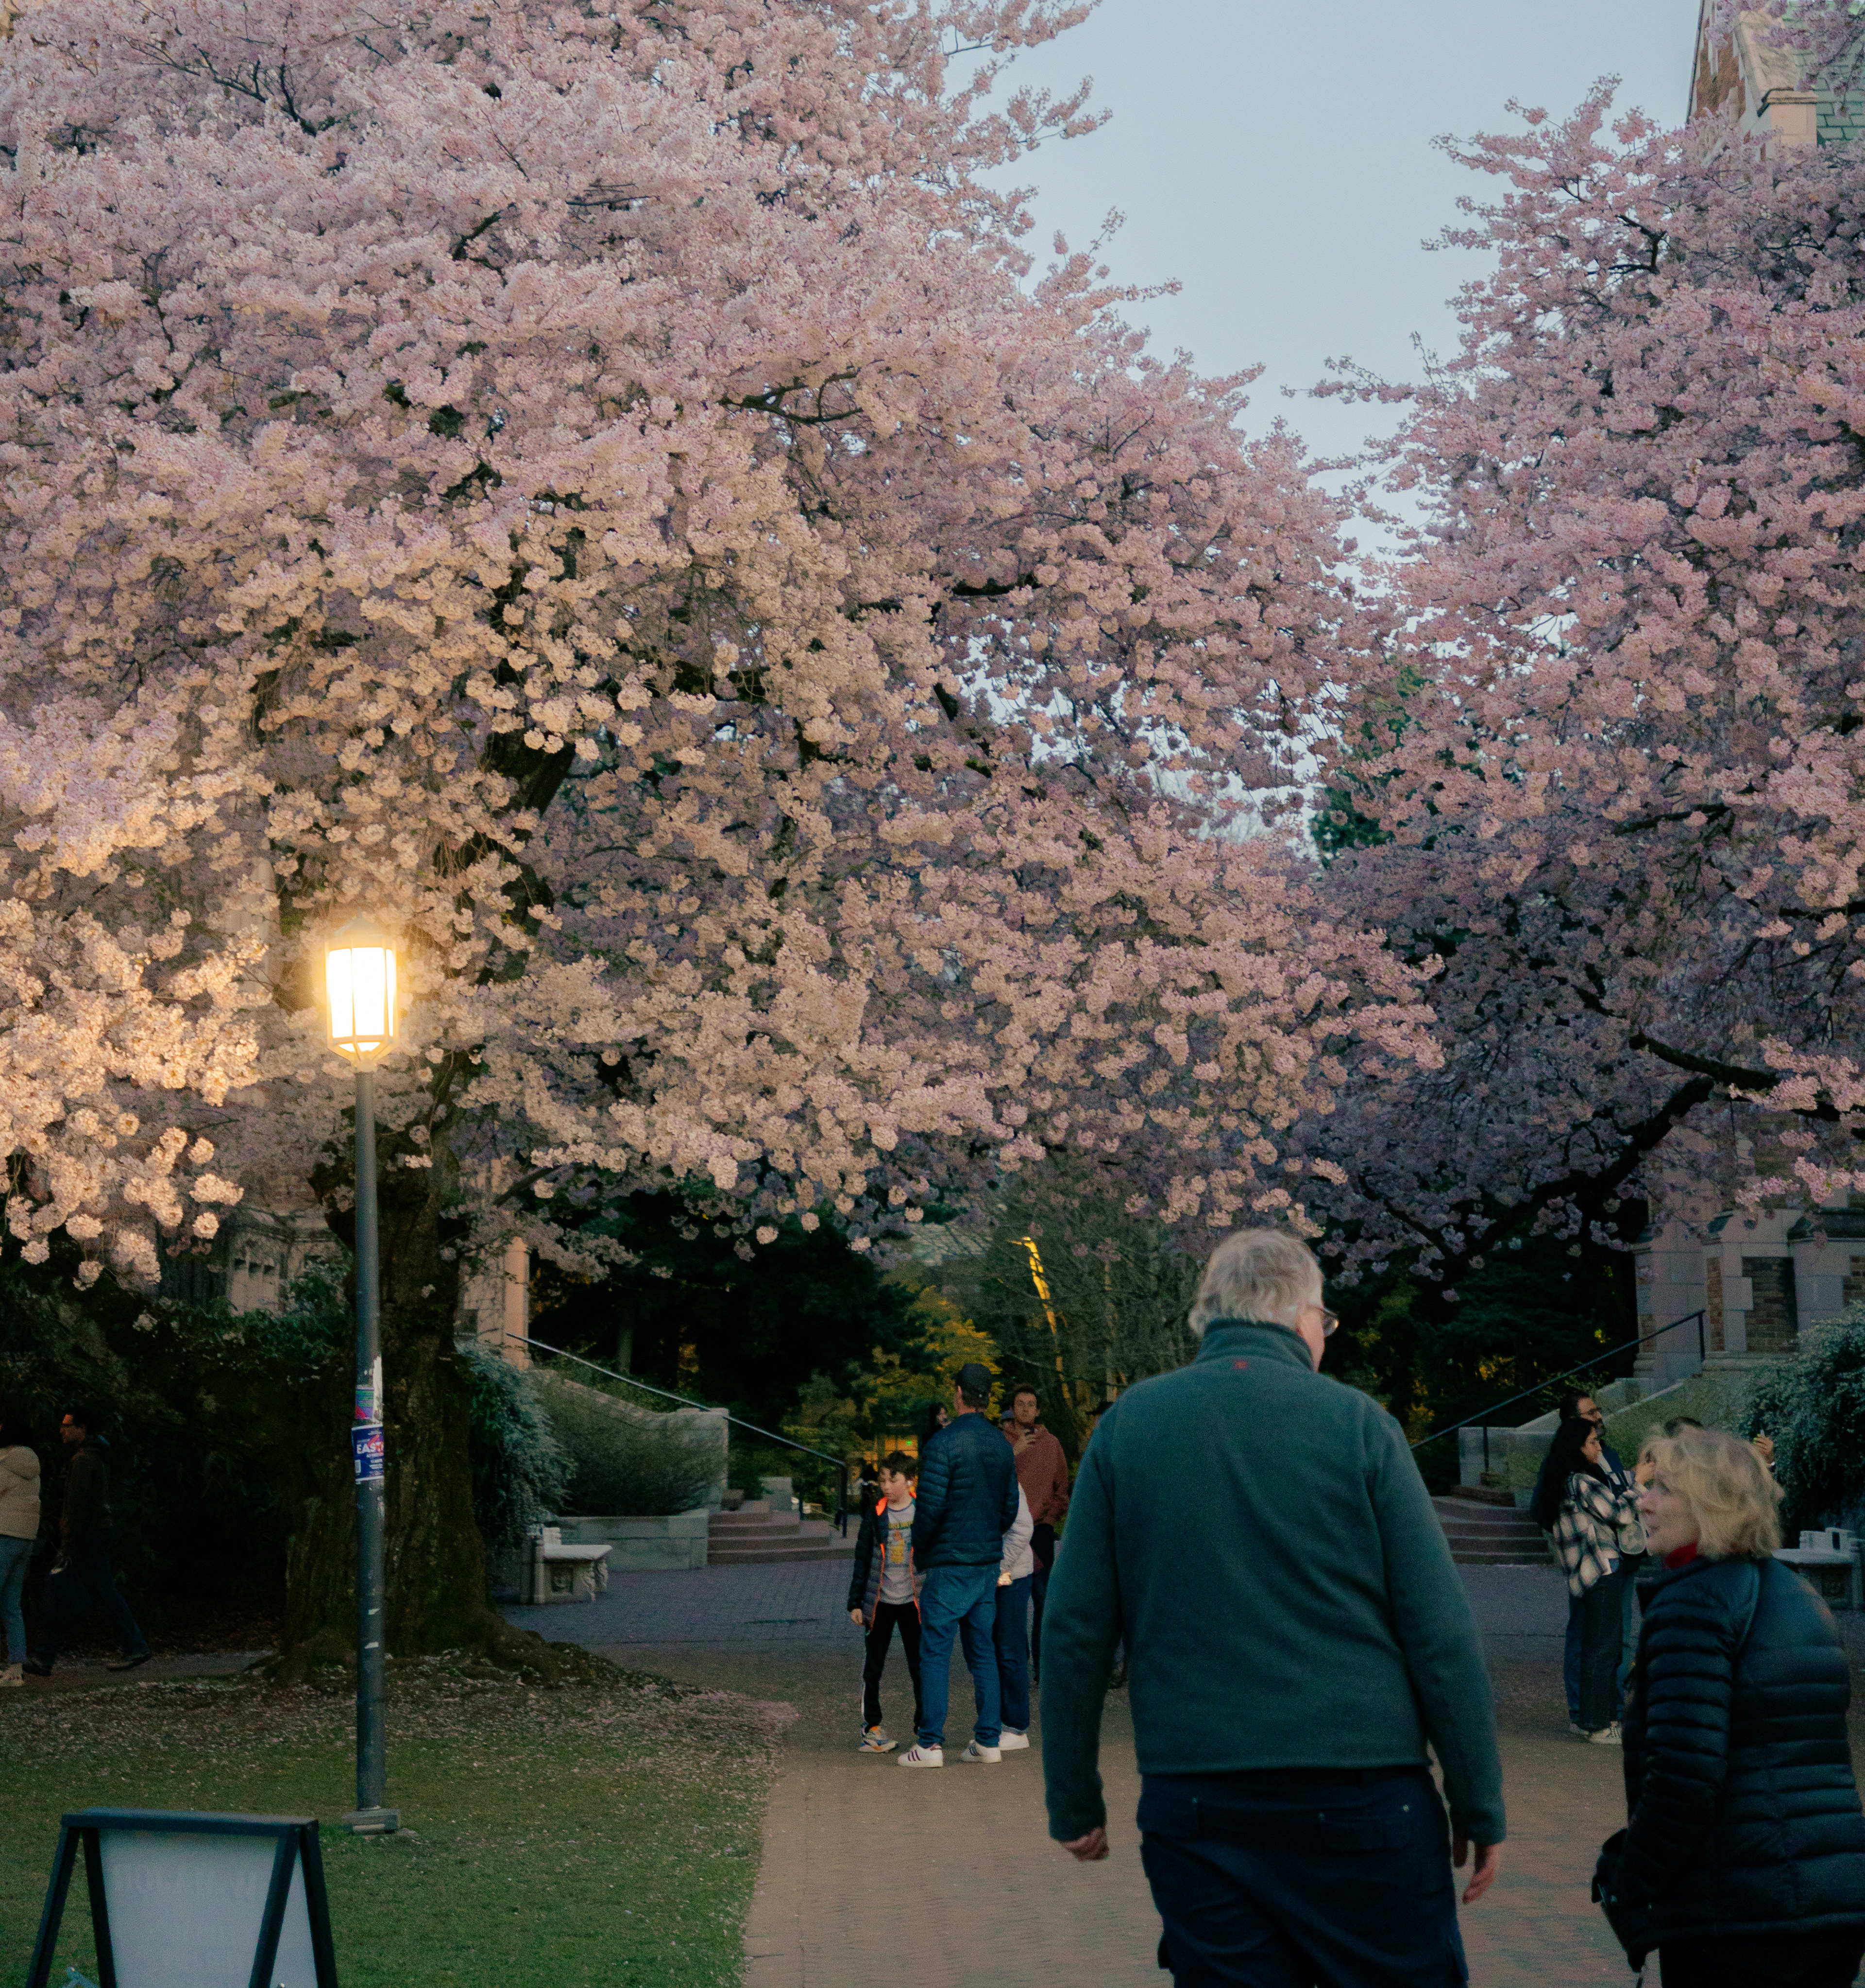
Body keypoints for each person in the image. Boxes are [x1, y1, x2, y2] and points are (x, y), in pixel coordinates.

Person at [1041, 1228, 1505, 1986]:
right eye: (1326, 1320)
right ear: (1300, 1317)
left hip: (1199, 1793)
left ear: (1211, 1314)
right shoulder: (1361, 1426)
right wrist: (1477, 1801)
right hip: (1362, 1786)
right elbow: (1440, 1634)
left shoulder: (1131, 1426)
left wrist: (1074, 1797)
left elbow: (1074, 1631)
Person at [1594, 1427, 1865, 1984]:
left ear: (1712, 1505)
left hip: (1737, 1914)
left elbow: (1684, 1775)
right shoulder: (1799, 1596)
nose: (1643, 1501)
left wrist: (1630, 1882)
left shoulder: (1694, 1601)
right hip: (1831, 1901)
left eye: (1664, 1489)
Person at [896, 1362, 1018, 1769]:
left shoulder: (942, 1444)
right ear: (988, 1397)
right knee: (983, 1652)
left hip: (949, 1562)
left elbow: (929, 1509)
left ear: (959, 1393)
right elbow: (1010, 1508)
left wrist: (920, 1550)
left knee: (934, 1652)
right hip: (985, 1561)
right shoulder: (1001, 1444)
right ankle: (988, 1740)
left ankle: (930, 1743)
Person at [1532, 1391, 1640, 1726]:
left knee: (1617, 1638)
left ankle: (1611, 1711)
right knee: (1589, 1639)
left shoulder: (1606, 1454)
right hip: (1595, 1562)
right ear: (1572, 1424)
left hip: (1621, 1557)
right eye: (1590, 1413)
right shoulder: (1567, 1469)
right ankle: (1586, 1714)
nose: (1598, 1416)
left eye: (1598, 1410)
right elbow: (1546, 1509)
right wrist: (1576, 1537)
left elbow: (1616, 1497)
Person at [23, 1407, 150, 1677]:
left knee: (91, 1592)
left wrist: (67, 1543)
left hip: (86, 1537)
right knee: (71, 1593)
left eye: (67, 1426)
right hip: (92, 1534)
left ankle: (135, 1645)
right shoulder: (93, 1456)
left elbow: (76, 1507)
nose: (62, 1430)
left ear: (83, 1428)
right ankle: (46, 1657)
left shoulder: (83, 1459)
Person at [848, 1451, 922, 1753]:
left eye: (893, 1479)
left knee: (921, 1666)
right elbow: (862, 1558)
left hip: (915, 1604)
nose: (886, 1486)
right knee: (873, 1666)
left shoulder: (923, 1512)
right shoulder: (876, 1514)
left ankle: (926, 1727)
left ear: (910, 1481)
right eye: (883, 1480)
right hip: (880, 1603)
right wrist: (855, 1603)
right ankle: (872, 1729)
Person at [1002, 1383, 1069, 1681]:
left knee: (1042, 1599)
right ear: (1012, 1408)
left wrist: (1050, 1519)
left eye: (1031, 1404)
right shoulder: (1001, 1442)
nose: (1026, 1409)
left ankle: (1042, 1665)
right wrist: (1012, 1452)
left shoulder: (1051, 1444)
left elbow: (1062, 1489)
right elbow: (991, 1478)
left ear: (1039, 1410)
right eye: (1021, 1404)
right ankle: (1018, 1660)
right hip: (1009, 1532)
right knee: (1012, 1600)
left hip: (1040, 1530)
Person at [995, 1481, 1035, 1751]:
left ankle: (1016, 1727)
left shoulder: (1008, 1483)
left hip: (1012, 1575)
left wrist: (998, 1568)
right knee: (992, 1650)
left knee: (1010, 1649)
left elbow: (1022, 1529)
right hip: (992, 1574)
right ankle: (998, 1723)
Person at [0, 1416, 39, 1687]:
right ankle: (16, 1670)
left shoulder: (4, 1461)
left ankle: (15, 1671)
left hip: (4, 1535)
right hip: (26, 1538)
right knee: (11, 1605)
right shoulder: (32, 1463)